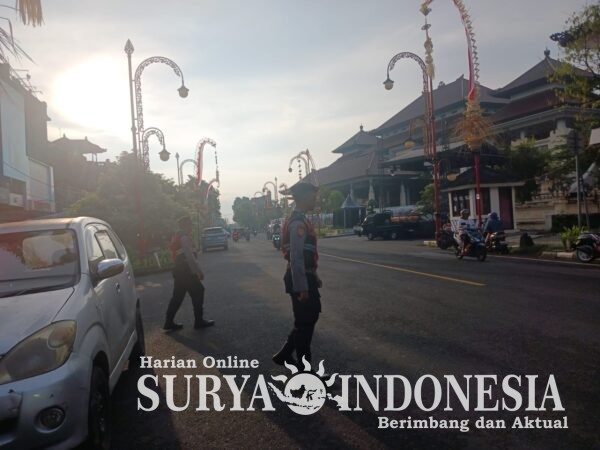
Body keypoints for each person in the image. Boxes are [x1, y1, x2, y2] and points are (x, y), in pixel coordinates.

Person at [273, 182, 322, 367]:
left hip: (304, 276)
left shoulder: (300, 219)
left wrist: (314, 275)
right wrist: (302, 286)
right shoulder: (297, 223)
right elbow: (297, 257)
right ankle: (305, 371)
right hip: (299, 278)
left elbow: (305, 255)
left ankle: (285, 355)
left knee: (306, 320)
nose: (315, 199)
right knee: (305, 323)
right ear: (303, 197)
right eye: (313, 196)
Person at [163, 216, 215, 330]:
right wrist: (198, 271)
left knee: (178, 296)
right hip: (186, 271)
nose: (191, 227)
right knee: (199, 291)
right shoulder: (184, 237)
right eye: (190, 225)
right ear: (187, 225)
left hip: (178, 270)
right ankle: (199, 321)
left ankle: (168, 321)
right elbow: (190, 257)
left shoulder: (177, 236)